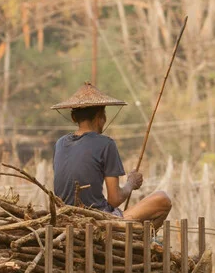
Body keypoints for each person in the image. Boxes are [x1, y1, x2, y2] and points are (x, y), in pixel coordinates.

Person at [51, 82, 172, 229]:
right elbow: (114, 199)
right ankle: (141, 241)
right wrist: (131, 183)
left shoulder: (60, 143)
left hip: (65, 219)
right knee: (163, 199)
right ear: (101, 117)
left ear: (73, 118)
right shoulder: (106, 144)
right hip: (99, 222)